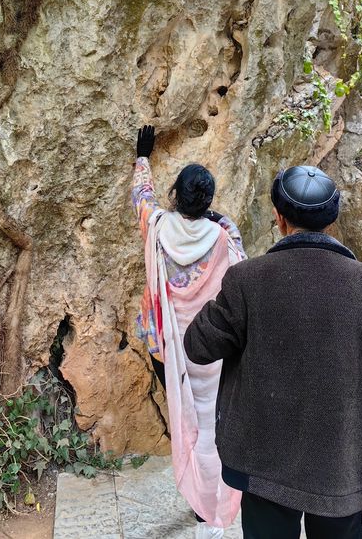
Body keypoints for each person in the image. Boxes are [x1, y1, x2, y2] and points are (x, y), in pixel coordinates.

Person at [184, 164, 362, 539]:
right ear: (332, 220)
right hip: (344, 464)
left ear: (279, 218)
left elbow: (197, 346)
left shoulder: (248, 280)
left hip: (263, 462)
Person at [132, 125, 246, 539]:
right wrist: (220, 219)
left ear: (176, 195)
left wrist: (142, 157)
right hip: (211, 348)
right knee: (214, 424)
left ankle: (199, 500)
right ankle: (211, 507)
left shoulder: (158, 227)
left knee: (186, 421)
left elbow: (141, 199)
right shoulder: (221, 238)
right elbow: (242, 259)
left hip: (169, 347)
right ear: (209, 202)